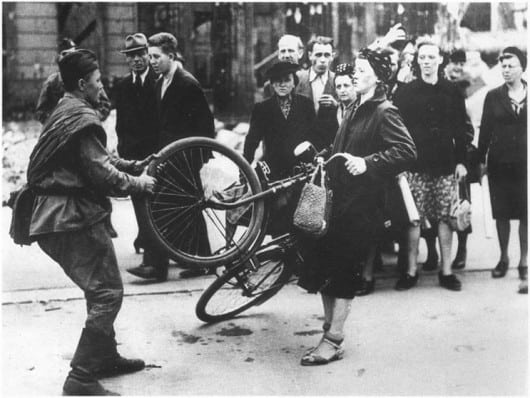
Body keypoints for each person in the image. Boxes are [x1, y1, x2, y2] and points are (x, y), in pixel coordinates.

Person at [26, 49, 156, 395]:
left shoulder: (68, 109)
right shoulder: (83, 117)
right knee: (108, 293)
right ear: (83, 84)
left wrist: (130, 165)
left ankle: (105, 356)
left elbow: (98, 160)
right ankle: (81, 377)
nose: (102, 88)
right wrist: (139, 184)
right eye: (98, 82)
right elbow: (101, 174)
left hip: (66, 215)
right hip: (69, 217)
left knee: (100, 288)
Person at [298, 48, 416, 365]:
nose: (355, 75)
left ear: (377, 77)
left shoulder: (384, 111)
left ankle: (334, 339)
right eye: (356, 69)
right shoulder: (353, 109)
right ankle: (328, 328)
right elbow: (343, 147)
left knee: (344, 272)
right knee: (323, 265)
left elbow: (406, 151)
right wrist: (324, 155)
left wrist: (368, 163)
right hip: (339, 202)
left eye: (362, 70)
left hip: (363, 206)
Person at [127, 32, 215, 281]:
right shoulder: (161, 82)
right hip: (168, 159)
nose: (151, 61)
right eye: (150, 56)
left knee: (160, 207)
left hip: (184, 160)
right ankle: (201, 261)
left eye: (156, 56)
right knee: (187, 209)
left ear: (171, 56)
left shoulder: (187, 84)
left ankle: (157, 266)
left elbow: (206, 127)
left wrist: (196, 161)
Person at [393, 41, 469, 292]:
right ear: (418, 61)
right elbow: (397, 132)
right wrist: (401, 164)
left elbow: (462, 129)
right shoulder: (405, 92)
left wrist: (461, 161)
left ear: (440, 60)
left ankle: (446, 272)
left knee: (446, 219)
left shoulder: (453, 91)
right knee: (414, 220)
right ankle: (411, 271)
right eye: (422, 57)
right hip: (415, 166)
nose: (426, 61)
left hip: (445, 165)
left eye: (431, 57)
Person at [244, 61, 316, 235]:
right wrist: (244, 169)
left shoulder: (305, 105)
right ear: (271, 84)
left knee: (300, 218)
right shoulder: (262, 108)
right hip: (274, 172)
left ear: (294, 82)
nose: (282, 84)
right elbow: (251, 140)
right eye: (277, 81)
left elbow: (314, 136)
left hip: (301, 171)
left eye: (286, 80)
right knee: (277, 218)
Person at [477, 46, 527, 291]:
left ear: (522, 68)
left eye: (511, 65)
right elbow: (484, 132)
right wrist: (480, 161)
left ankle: (524, 259)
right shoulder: (493, 96)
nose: (506, 70)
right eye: (503, 66)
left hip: (526, 165)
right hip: (500, 164)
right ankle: (503, 256)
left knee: (526, 212)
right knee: (503, 213)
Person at [114, 33, 159, 256]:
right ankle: (146, 240)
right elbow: (120, 125)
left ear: (148, 55)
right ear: (126, 60)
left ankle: (157, 249)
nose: (136, 60)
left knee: (157, 203)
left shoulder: (159, 81)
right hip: (133, 157)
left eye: (141, 54)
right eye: (131, 56)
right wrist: (125, 156)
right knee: (139, 202)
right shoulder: (122, 86)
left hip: (155, 154)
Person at [35, 38, 111, 124]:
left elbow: (105, 105)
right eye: (66, 54)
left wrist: (88, 117)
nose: (69, 57)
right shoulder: (52, 82)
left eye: (73, 53)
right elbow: (41, 112)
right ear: (59, 57)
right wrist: (56, 122)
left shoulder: (89, 79)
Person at [296, 36, 339, 150]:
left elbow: (350, 113)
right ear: (310, 55)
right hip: (299, 146)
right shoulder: (297, 80)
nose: (323, 60)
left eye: (327, 55)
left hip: (328, 147)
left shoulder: (339, 82)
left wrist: (337, 106)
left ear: (332, 57)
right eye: (318, 55)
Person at [263, 34, 305, 98]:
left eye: (291, 51)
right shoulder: (269, 86)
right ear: (279, 55)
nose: (286, 55)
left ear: (300, 53)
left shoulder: (309, 79)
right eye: (283, 51)